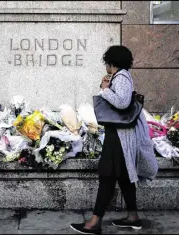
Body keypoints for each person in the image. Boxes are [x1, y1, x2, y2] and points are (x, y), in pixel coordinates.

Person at [70, 45, 158, 234]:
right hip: (118, 134)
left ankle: (94, 223)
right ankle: (133, 217)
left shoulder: (122, 77)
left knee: (107, 176)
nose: (105, 66)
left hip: (119, 136)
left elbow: (123, 102)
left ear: (112, 62)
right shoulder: (119, 77)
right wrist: (107, 87)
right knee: (124, 176)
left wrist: (104, 90)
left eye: (106, 62)